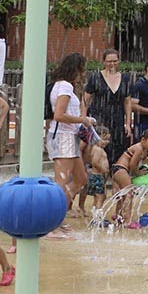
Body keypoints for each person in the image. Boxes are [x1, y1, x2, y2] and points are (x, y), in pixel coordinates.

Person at [49, 53, 94, 211]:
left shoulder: (61, 85)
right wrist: (83, 120)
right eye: (82, 70)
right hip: (63, 137)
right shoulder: (66, 87)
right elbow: (59, 115)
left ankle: (59, 213)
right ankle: (54, 222)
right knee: (60, 181)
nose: (83, 75)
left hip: (68, 137)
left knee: (81, 178)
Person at [84, 49, 131, 171]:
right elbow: (85, 100)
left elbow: (127, 101)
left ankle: (114, 176)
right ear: (104, 62)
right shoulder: (95, 77)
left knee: (117, 147)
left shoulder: (125, 78)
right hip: (99, 117)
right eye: (109, 61)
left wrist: (128, 123)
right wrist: (83, 119)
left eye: (115, 61)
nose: (112, 64)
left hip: (117, 117)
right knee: (100, 149)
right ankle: (100, 177)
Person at [109, 130, 148, 227]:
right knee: (129, 193)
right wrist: (139, 174)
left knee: (122, 194)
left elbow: (141, 161)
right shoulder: (139, 148)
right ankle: (127, 221)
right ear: (143, 140)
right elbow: (132, 165)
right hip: (121, 169)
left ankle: (118, 215)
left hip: (117, 169)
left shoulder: (143, 150)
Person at [84, 129, 111, 216]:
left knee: (98, 197)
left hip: (97, 176)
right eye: (105, 139)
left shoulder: (96, 149)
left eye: (108, 140)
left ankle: (95, 214)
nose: (107, 142)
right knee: (100, 197)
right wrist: (103, 169)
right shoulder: (98, 150)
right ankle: (98, 217)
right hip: (97, 176)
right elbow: (95, 162)